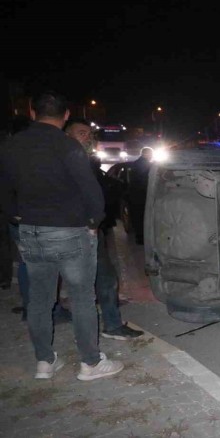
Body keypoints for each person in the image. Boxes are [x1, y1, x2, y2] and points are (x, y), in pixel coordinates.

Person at [0, 90, 123, 380]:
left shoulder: (12, 145)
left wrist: (15, 217)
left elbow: (4, 189)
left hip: (31, 230)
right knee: (82, 298)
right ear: (66, 115)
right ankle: (90, 363)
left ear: (32, 112)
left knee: (39, 300)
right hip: (70, 230)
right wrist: (93, 222)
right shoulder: (67, 146)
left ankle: (45, 361)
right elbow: (90, 190)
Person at [64, 118, 143, 340]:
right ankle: (95, 338)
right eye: (82, 133)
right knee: (91, 282)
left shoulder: (84, 161)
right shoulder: (67, 161)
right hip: (77, 229)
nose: (88, 138)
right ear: (67, 135)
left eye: (89, 134)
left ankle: (108, 326)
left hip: (89, 228)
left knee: (103, 279)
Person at [127, 146, 153, 245]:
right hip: (141, 195)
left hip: (135, 195)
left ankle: (139, 237)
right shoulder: (146, 165)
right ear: (146, 154)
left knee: (137, 217)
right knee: (142, 217)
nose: (151, 156)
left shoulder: (136, 164)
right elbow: (145, 182)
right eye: (150, 154)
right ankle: (142, 238)